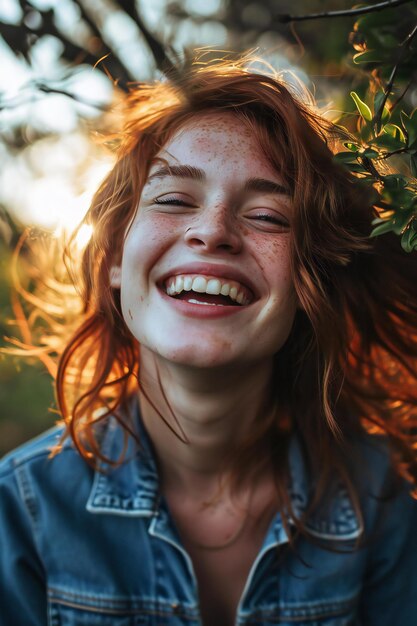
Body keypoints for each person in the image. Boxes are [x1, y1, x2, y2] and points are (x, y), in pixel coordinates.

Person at [1, 52, 417, 626]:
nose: (213, 231)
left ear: (310, 280)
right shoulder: (19, 513)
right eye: (173, 199)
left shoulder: (383, 500)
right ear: (117, 256)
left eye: (269, 216)